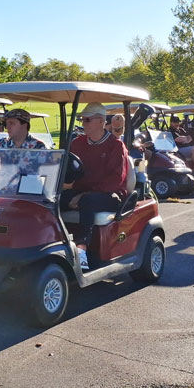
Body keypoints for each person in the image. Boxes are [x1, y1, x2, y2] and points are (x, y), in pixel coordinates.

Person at [61, 102, 131, 270]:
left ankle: (81, 250)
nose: (83, 123)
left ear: (100, 121)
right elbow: (68, 169)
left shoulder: (116, 145)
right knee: (53, 200)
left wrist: (83, 194)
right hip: (82, 192)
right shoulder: (77, 144)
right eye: (82, 120)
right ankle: (55, 243)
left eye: (86, 120)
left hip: (111, 194)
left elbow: (116, 179)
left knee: (88, 201)